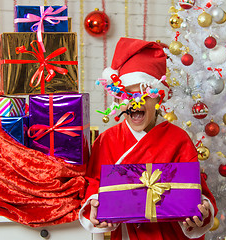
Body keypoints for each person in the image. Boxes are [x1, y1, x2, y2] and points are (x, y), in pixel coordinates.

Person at [79, 37, 217, 240]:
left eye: (144, 93)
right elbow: (93, 184)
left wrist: (202, 208)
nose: (135, 102)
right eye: (127, 95)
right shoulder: (106, 140)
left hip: (170, 234)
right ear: (117, 100)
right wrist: (94, 205)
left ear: (158, 97)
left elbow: (196, 189)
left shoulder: (179, 139)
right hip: (126, 234)